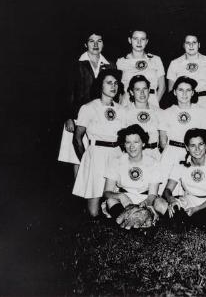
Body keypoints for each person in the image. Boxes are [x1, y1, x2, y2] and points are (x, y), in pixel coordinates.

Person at [72, 69, 128, 217]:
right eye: (109, 83)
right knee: (93, 213)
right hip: (96, 154)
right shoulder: (89, 108)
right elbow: (77, 138)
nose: (113, 86)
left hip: (116, 154)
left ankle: (109, 207)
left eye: (116, 83)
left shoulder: (122, 110)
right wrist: (85, 160)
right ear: (100, 86)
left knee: (114, 200)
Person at [58, 33, 114, 177]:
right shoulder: (76, 64)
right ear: (85, 44)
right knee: (77, 158)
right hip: (78, 117)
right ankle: (79, 194)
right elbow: (68, 91)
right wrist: (68, 117)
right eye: (91, 41)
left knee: (97, 154)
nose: (95, 45)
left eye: (99, 41)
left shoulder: (109, 65)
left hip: (100, 118)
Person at [156, 128, 206, 227]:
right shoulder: (181, 165)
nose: (197, 149)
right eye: (192, 145)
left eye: (201, 144)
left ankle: (182, 221)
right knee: (158, 202)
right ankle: (194, 222)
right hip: (187, 202)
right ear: (187, 147)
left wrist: (196, 209)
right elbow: (167, 190)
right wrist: (172, 200)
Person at [159, 76, 206, 194]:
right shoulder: (166, 113)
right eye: (180, 90)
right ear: (174, 92)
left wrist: (193, 154)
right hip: (171, 154)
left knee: (189, 191)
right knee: (165, 191)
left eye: (188, 90)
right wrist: (174, 153)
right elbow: (163, 142)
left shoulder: (202, 112)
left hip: (194, 154)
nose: (184, 94)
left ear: (193, 92)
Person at [102, 125, 162, 226]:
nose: (132, 146)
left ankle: (129, 219)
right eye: (128, 142)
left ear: (143, 143)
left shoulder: (153, 163)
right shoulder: (116, 162)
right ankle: (135, 220)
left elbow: (152, 195)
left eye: (136, 142)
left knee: (158, 203)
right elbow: (106, 193)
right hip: (124, 200)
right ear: (124, 144)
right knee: (111, 200)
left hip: (144, 199)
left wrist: (144, 204)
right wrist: (121, 196)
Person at [166, 34, 206, 114]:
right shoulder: (175, 63)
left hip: (204, 101)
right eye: (188, 43)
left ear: (199, 45)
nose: (191, 45)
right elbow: (171, 90)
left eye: (194, 42)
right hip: (183, 102)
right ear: (184, 45)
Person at [116, 30, 166, 108]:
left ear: (146, 41)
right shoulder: (121, 61)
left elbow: (162, 87)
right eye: (135, 39)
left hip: (151, 100)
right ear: (130, 40)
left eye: (142, 39)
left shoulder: (155, 59)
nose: (139, 42)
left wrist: (153, 104)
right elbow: (118, 88)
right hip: (128, 102)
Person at [123, 75, 161, 160]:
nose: (142, 93)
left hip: (154, 155)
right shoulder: (125, 111)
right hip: (133, 155)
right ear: (132, 92)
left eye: (145, 89)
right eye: (138, 90)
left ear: (149, 90)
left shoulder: (159, 112)